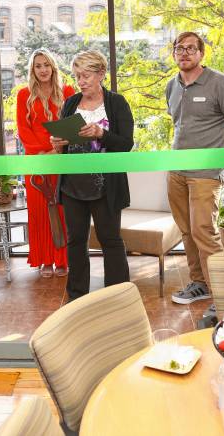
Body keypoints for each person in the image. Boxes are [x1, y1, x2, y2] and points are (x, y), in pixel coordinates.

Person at [166, 32, 224, 306]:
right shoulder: (172, 86)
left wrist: (219, 163)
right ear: (174, 53)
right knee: (187, 231)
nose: (185, 53)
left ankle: (223, 294)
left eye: (191, 48)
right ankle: (199, 284)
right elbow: (180, 126)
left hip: (205, 175)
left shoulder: (220, 84)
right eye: (180, 48)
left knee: (204, 231)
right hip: (177, 171)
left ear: (201, 53)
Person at [50, 50, 133, 301]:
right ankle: (77, 297)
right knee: (76, 242)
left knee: (110, 240)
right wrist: (57, 142)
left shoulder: (117, 103)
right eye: (78, 76)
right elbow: (63, 145)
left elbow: (126, 143)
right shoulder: (71, 103)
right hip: (72, 184)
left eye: (86, 75)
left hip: (105, 186)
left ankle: (117, 296)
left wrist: (100, 134)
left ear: (101, 74)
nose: (81, 81)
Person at [16, 49, 74, 278]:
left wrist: (56, 150)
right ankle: (45, 260)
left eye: (46, 65)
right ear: (33, 70)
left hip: (60, 160)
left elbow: (72, 126)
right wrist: (41, 153)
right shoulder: (24, 95)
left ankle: (62, 260)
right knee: (40, 214)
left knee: (61, 211)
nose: (42, 70)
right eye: (38, 66)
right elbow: (23, 129)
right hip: (36, 162)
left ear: (53, 67)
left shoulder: (67, 91)